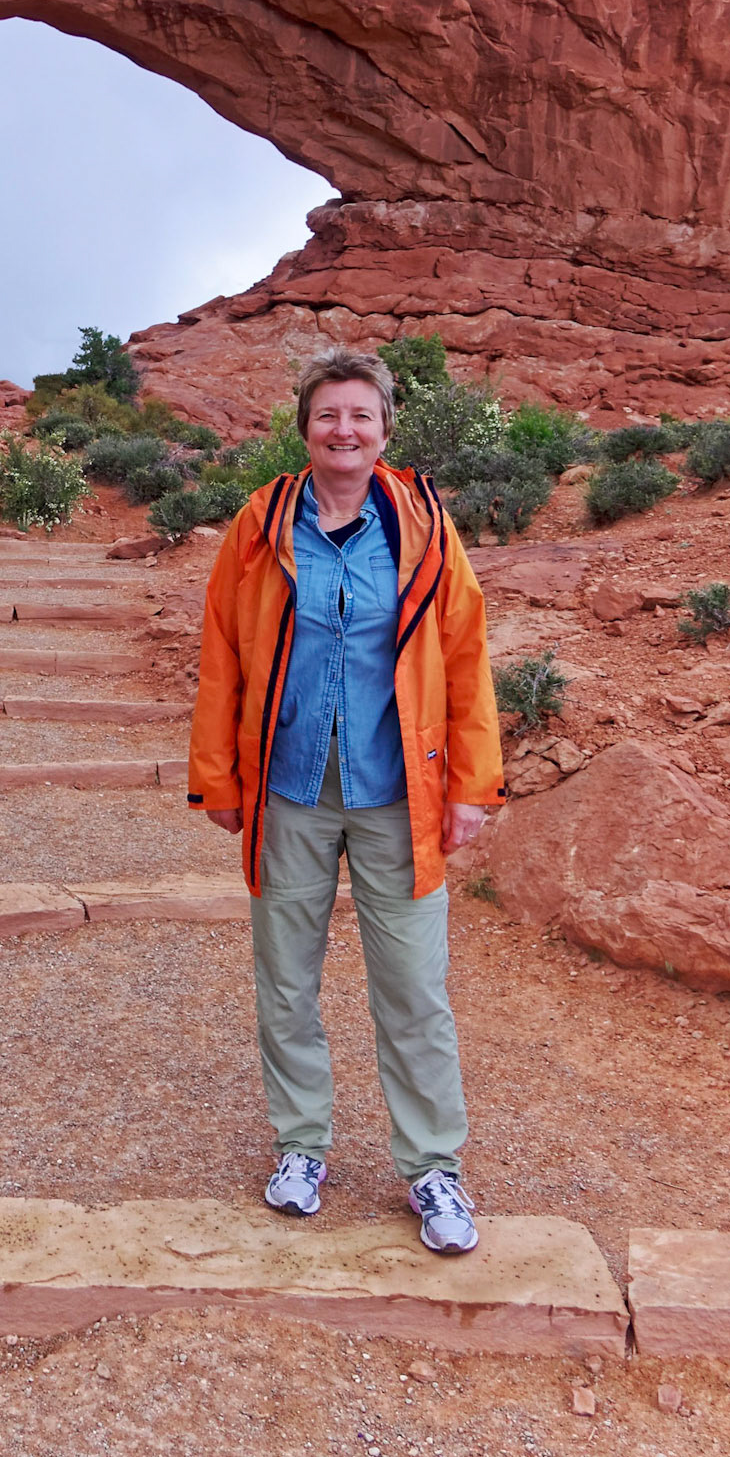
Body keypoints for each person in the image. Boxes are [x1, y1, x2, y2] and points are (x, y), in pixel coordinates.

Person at [187, 347, 504, 1254]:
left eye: (360, 415)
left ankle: (432, 1166)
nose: (344, 430)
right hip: (288, 786)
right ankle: (300, 1147)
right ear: (304, 426)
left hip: (399, 790)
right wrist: (217, 774)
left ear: (384, 430)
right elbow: (222, 655)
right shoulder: (260, 524)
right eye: (328, 414)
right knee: (285, 980)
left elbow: (466, 660)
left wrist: (472, 787)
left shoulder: (425, 528)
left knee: (412, 988)